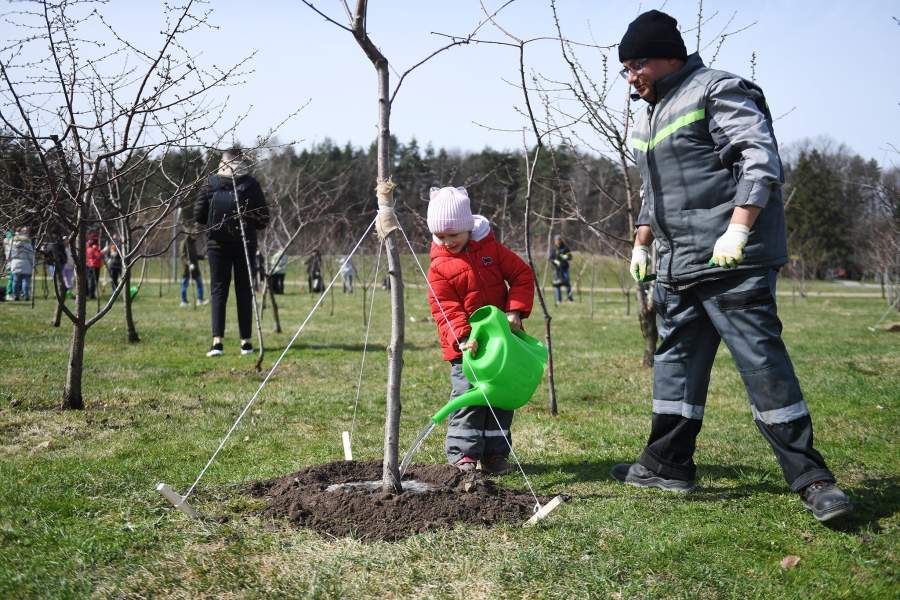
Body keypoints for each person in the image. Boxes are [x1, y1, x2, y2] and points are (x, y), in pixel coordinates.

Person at [615, 10, 851, 522]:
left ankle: (812, 479)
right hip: (677, 265)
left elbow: (758, 158)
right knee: (675, 365)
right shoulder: (649, 113)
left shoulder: (716, 89)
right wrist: (641, 243)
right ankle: (666, 463)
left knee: (761, 364)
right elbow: (652, 192)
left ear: (669, 56)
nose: (631, 77)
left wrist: (738, 229)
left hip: (730, 261)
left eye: (637, 64)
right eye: (625, 69)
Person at [426, 186, 535, 474]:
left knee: (500, 398)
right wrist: (462, 336)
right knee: (469, 398)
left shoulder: (492, 251)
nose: (447, 242)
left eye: (454, 235)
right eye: (440, 236)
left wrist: (515, 310)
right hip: (467, 349)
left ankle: (495, 455)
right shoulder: (439, 267)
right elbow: (445, 307)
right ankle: (464, 454)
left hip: (500, 345)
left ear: (468, 228)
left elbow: (522, 275)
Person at [194, 148, 269, 357]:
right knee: (244, 290)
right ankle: (246, 342)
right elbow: (263, 219)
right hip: (245, 244)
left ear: (222, 162)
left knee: (219, 291)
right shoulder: (251, 184)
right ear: (242, 161)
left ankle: (217, 342)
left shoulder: (210, 183)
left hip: (217, 245)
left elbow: (198, 214)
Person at [7, 226, 35, 301]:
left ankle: (16, 295)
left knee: (15, 280)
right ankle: (26, 295)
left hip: (15, 262)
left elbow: (8, 252)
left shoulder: (12, 241)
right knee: (25, 280)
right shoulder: (27, 241)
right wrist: (32, 263)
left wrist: (9, 261)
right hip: (26, 262)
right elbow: (30, 253)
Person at [180, 229, 206, 307]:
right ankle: (183, 302)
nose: (196, 236)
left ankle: (200, 300)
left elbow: (195, 256)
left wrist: (203, 257)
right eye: (195, 235)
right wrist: (188, 264)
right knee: (185, 285)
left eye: (197, 235)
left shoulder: (192, 243)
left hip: (195, 269)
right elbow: (183, 256)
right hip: (187, 269)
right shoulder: (184, 243)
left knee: (200, 284)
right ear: (190, 234)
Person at [549, 235, 574, 303]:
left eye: (559, 240)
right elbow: (550, 258)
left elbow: (570, 257)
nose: (558, 241)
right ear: (555, 241)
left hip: (565, 268)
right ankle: (558, 300)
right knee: (557, 284)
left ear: (561, 240)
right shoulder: (553, 249)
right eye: (557, 240)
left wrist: (563, 257)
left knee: (567, 283)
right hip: (556, 269)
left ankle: (570, 299)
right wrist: (556, 261)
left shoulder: (565, 248)